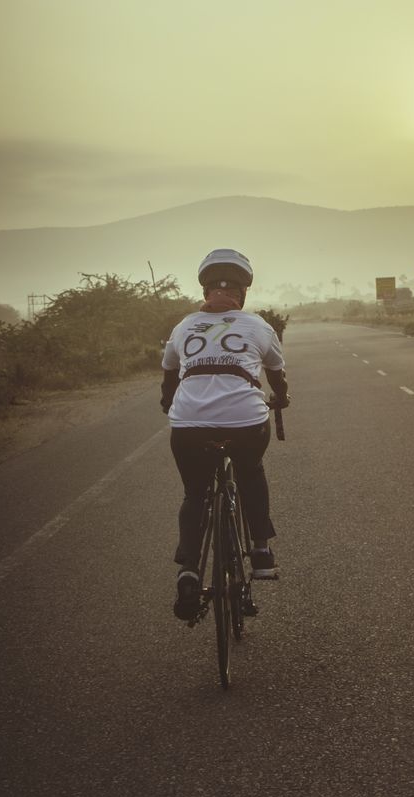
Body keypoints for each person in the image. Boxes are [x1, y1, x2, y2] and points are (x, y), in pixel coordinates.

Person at [160, 248, 289, 621]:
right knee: (251, 473)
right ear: (242, 294)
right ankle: (261, 551)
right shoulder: (258, 326)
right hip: (245, 422)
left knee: (195, 494)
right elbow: (276, 374)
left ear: (205, 294)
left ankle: (188, 571)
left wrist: (171, 403)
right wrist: (280, 398)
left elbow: (169, 374)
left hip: (188, 425)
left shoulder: (183, 326)